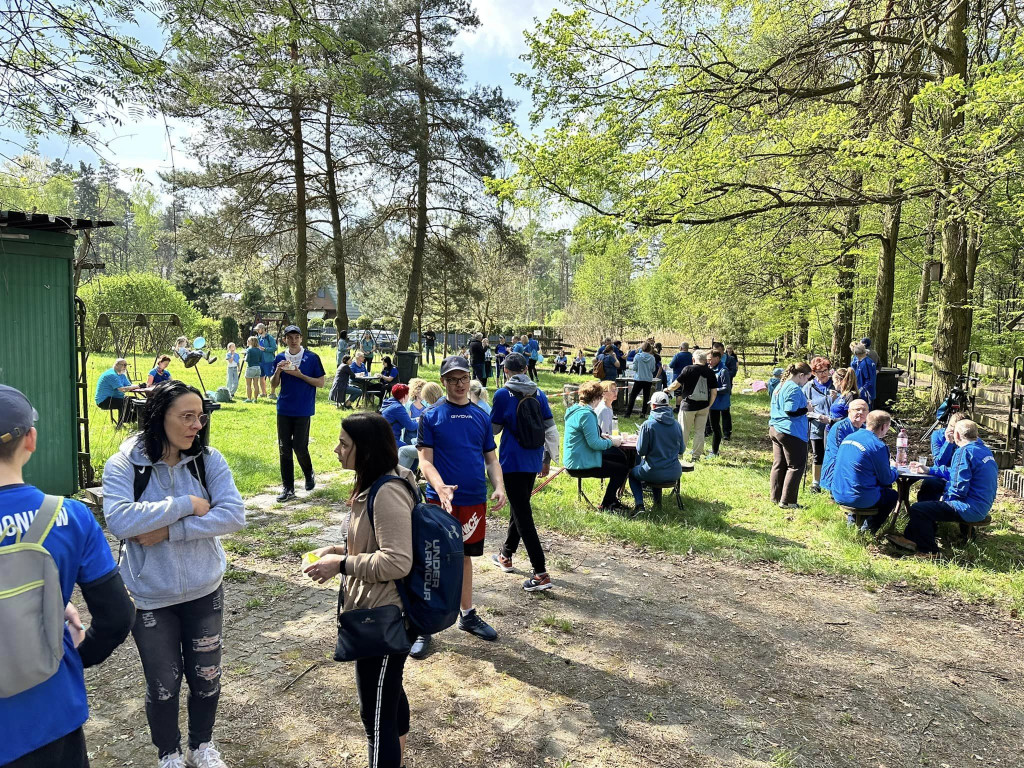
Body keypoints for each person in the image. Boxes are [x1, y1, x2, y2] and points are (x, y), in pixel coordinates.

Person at [102, 380, 245, 768]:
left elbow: (233, 515)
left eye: (200, 417)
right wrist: (187, 503)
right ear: (158, 417)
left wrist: (169, 531)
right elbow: (119, 520)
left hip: (204, 590)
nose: (196, 425)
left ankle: (202, 746)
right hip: (150, 597)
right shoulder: (124, 464)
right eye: (186, 417)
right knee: (163, 683)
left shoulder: (208, 460)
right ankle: (169, 753)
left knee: (207, 676)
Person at [0, 385, 135, 768]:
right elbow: (117, 616)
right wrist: (77, 654)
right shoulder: (70, 517)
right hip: (49, 710)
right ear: (31, 439)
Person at [302, 412, 415, 768]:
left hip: (385, 615)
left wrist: (342, 564)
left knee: (376, 718)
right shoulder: (377, 482)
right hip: (377, 610)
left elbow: (397, 561)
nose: (336, 450)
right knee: (388, 695)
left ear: (364, 450)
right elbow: (375, 544)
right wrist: (337, 550)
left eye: (344, 444)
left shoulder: (387, 492)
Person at [413, 356, 506, 658]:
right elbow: (425, 461)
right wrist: (440, 486)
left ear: (469, 378)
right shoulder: (431, 416)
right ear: (443, 382)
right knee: (432, 561)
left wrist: (499, 486)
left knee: (465, 558)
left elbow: (491, 459)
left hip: (473, 500)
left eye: (463, 378)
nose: (459, 384)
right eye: (452, 379)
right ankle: (424, 625)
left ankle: (467, 615)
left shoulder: (481, 416)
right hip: (438, 501)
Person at [490, 353, 561, 591]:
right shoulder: (539, 393)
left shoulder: (502, 394)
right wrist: (547, 459)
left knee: (523, 514)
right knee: (519, 508)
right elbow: (551, 430)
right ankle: (506, 555)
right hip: (533, 461)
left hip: (511, 462)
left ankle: (540, 573)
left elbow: (494, 430)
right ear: (525, 369)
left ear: (506, 371)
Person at [888, 420, 998, 554]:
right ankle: (910, 540)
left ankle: (929, 551)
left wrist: (945, 501)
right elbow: (954, 472)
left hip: (968, 508)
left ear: (957, 435)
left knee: (918, 509)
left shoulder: (964, 452)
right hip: (983, 506)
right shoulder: (984, 451)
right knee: (925, 507)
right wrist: (929, 470)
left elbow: (959, 487)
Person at [271, 325, 326, 502]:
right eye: (289, 337)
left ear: (301, 338)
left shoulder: (312, 357)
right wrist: (278, 371)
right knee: (284, 448)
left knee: (300, 446)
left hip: (303, 408)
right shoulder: (280, 357)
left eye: (296, 337)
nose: (293, 340)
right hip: (284, 408)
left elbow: (321, 383)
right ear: (285, 340)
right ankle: (288, 488)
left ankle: (308, 473)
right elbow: (273, 384)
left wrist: (300, 375)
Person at [563, 380, 630, 513]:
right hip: (580, 463)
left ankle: (611, 500)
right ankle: (608, 503)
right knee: (622, 468)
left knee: (621, 457)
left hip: (577, 458)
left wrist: (602, 436)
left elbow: (586, 436)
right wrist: (612, 442)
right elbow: (594, 444)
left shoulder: (576, 410)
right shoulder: (586, 414)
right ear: (598, 397)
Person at [829, 410, 899, 532]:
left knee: (863, 483)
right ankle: (867, 530)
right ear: (883, 427)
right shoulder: (878, 446)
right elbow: (886, 478)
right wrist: (894, 469)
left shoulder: (849, 437)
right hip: (859, 498)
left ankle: (852, 526)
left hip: (838, 492)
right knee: (892, 495)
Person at [626, 391, 684, 514]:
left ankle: (640, 505)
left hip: (653, 471)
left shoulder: (648, 425)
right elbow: (682, 450)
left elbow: (641, 450)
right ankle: (657, 504)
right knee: (655, 467)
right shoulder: (677, 425)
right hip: (674, 472)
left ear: (653, 406)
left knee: (633, 474)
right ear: (668, 406)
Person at [768, 362, 812, 508]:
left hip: (775, 428)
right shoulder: (793, 388)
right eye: (807, 378)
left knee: (779, 464)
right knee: (796, 465)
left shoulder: (780, 385)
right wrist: (807, 409)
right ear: (801, 375)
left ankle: (776, 497)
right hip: (790, 431)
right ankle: (788, 501)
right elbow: (790, 410)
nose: (807, 382)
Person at [664, 351, 718, 461]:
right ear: (705, 360)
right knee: (700, 432)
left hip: (688, 406)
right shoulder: (710, 372)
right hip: (703, 406)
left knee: (684, 431)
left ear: (693, 359)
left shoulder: (688, 369)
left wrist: (667, 389)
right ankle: (696, 456)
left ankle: (679, 455)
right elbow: (714, 393)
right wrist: (709, 405)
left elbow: (676, 384)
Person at [820, 399, 868, 493]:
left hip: (857, 471)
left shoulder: (866, 429)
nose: (861, 412)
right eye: (857, 409)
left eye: (864, 410)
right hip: (837, 473)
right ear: (849, 411)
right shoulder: (840, 427)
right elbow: (840, 455)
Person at [803, 356, 837, 492]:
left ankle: (831, 481)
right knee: (818, 454)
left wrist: (836, 398)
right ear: (813, 373)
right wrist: (812, 413)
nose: (823, 374)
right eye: (819, 372)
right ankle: (816, 483)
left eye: (825, 371)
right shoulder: (809, 387)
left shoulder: (836, 384)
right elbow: (803, 407)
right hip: (816, 425)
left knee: (833, 453)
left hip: (834, 425)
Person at [381, 384, 420, 470]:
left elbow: (402, 421)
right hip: (391, 441)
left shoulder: (389, 403)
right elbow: (411, 427)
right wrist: (421, 421)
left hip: (383, 438)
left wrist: (415, 420)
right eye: (408, 394)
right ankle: (407, 475)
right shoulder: (398, 408)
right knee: (412, 452)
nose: (409, 396)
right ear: (404, 395)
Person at [95, 358, 138, 422]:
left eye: (126, 365)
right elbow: (122, 389)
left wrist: (141, 386)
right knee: (125, 403)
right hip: (104, 400)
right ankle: (122, 423)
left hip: (116, 397)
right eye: (123, 365)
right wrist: (138, 386)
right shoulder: (111, 375)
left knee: (135, 400)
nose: (125, 367)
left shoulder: (121, 375)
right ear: (116, 365)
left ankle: (133, 420)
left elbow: (129, 385)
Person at [707, 350, 732, 457]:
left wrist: (713, 390)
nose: (709, 361)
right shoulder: (711, 368)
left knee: (715, 427)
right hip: (713, 402)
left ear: (717, 358)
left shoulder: (723, 371)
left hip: (719, 403)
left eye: (710, 359)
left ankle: (715, 451)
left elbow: (727, 388)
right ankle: (714, 449)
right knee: (714, 427)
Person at [624, 341, 657, 418]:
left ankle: (628, 413)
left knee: (633, 396)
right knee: (646, 397)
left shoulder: (637, 356)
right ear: (650, 349)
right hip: (648, 379)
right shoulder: (652, 358)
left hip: (639, 379)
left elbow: (634, 368)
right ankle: (643, 413)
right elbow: (653, 369)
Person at [850, 342, 877, 407]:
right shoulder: (862, 362)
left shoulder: (866, 364)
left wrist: (860, 391)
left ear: (856, 354)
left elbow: (869, 381)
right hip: (862, 392)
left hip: (866, 394)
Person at [256, 324, 278, 400]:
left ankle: (272, 393)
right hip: (260, 361)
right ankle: (263, 393)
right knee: (261, 376)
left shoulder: (269, 338)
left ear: (263, 329)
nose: (257, 331)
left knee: (270, 376)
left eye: (258, 329)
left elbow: (274, 348)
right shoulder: (258, 338)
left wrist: (265, 349)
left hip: (269, 360)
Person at [243, 336, 263, 402]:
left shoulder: (249, 350)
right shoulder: (259, 350)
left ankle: (249, 398)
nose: (247, 342)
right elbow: (260, 359)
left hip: (251, 367)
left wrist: (244, 358)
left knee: (248, 384)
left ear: (251, 342)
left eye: (248, 341)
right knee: (256, 384)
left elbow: (247, 359)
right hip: (258, 368)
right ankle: (255, 399)